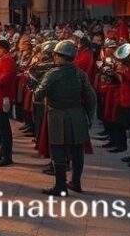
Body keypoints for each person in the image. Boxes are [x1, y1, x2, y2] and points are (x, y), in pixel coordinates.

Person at [34, 40, 96, 195]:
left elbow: (38, 94)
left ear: (58, 55)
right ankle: (76, 182)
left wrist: (35, 85)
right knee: (77, 151)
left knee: (58, 151)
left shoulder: (53, 73)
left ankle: (60, 186)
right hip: (77, 114)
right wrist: (89, 117)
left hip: (58, 115)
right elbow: (91, 97)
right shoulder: (80, 73)